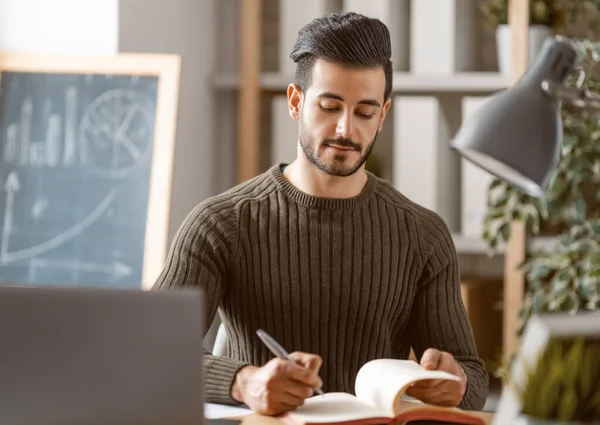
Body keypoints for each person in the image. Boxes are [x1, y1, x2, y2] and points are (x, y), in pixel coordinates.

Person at [153, 11, 489, 417]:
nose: (346, 129)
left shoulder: (422, 234)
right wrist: (246, 382)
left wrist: (455, 384)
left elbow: (472, 379)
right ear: (296, 102)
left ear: (383, 114)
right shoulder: (220, 224)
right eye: (329, 106)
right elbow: (149, 348)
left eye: (365, 113)